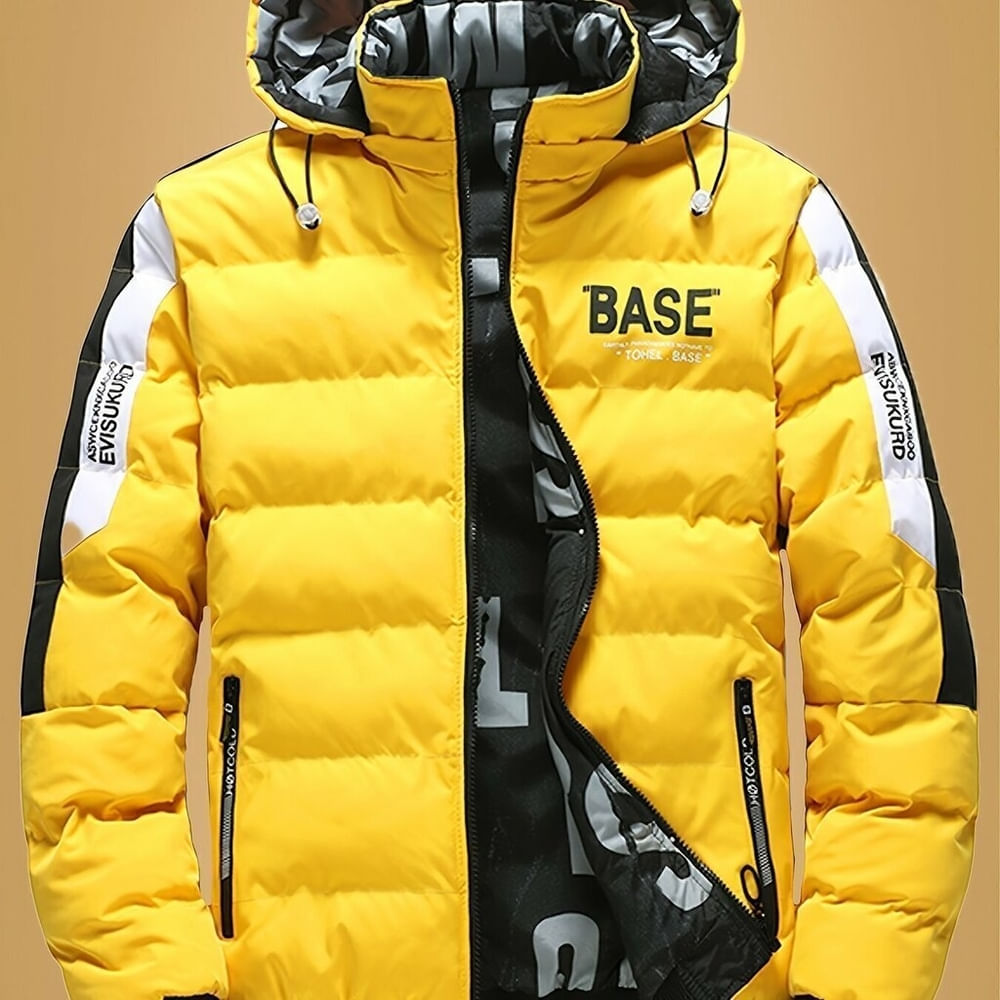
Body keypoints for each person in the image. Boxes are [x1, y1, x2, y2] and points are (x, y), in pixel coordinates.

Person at [18, 1, 978, 999]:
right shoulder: (201, 245)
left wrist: (858, 974)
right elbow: (95, 672)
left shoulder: (763, 234)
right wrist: (153, 977)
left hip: (687, 957)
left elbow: (894, 647)